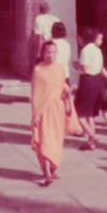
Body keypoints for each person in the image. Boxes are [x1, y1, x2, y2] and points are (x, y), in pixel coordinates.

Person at [31, 39, 71, 186]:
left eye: (53, 52)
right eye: (48, 52)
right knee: (45, 141)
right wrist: (35, 114)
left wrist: (68, 103)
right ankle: (47, 172)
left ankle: (52, 169)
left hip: (57, 109)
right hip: (42, 110)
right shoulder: (38, 70)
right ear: (42, 53)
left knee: (55, 141)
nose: (50, 55)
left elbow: (63, 87)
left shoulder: (60, 68)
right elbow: (35, 93)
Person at [74, 27, 107, 148]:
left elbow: (84, 68)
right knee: (90, 114)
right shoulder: (97, 50)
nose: (101, 40)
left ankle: (91, 135)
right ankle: (91, 143)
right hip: (97, 81)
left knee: (79, 113)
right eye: (100, 38)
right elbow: (101, 68)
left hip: (87, 81)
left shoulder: (85, 50)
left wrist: (76, 65)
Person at [31, 0, 59, 64]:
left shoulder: (39, 19)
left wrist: (38, 52)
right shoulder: (55, 18)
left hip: (45, 45)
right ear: (49, 9)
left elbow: (40, 37)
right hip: (55, 44)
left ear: (39, 9)